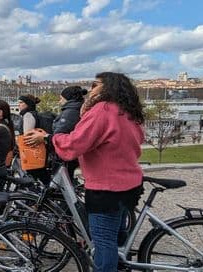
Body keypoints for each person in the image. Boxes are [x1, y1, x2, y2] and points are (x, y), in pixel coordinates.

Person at [24, 72, 145, 271]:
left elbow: (75, 143)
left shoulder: (103, 110)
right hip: (129, 182)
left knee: (103, 241)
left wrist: (47, 138)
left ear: (109, 87)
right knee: (117, 236)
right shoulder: (128, 111)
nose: (90, 89)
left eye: (95, 84)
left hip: (107, 186)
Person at [17, 94, 51, 185]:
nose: (19, 105)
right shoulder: (35, 114)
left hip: (31, 151)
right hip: (39, 150)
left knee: (34, 174)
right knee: (40, 172)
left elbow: (27, 134)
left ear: (28, 104)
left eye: (21, 102)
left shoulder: (28, 115)